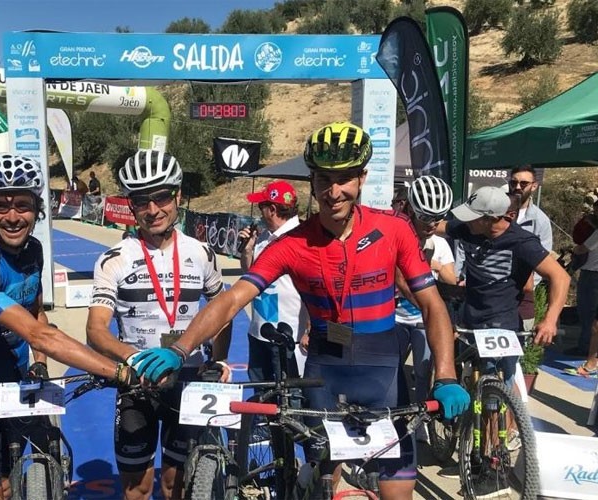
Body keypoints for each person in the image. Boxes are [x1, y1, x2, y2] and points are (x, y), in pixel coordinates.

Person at [130, 123, 469, 500]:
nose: (333, 191)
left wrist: (446, 375)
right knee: (324, 487)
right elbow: (232, 298)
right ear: (312, 179)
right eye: (324, 179)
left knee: (397, 494)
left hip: (384, 376)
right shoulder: (291, 244)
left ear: (362, 178)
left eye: (344, 179)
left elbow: (432, 305)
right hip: (326, 375)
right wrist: (181, 349)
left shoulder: (393, 230)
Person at [0, 153, 137, 500]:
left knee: (54, 463)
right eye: (0, 206)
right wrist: (119, 372)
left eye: (23, 206)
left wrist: (39, 364)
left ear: (37, 209)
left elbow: (35, 313)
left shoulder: (34, 250)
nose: (13, 217)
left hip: (18, 376)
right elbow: (38, 333)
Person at [86, 149, 231, 500]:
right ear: (130, 206)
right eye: (141, 201)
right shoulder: (113, 260)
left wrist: (217, 359)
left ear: (178, 196)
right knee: (137, 488)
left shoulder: (201, 253)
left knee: (174, 485)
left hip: (189, 379)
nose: (153, 210)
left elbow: (223, 309)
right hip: (137, 384)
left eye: (162, 197)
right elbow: (95, 331)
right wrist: (132, 357)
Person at [438, 186, 569, 497]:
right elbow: (438, 225)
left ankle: (494, 455)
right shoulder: (466, 227)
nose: (467, 223)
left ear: (491, 219)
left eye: (475, 218)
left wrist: (549, 319)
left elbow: (560, 277)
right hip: (469, 321)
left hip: (504, 325)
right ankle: (459, 426)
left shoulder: (521, 242)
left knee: (501, 392)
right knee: (465, 381)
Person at [392, 176, 456, 444]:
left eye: (437, 218)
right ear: (409, 209)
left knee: (423, 372)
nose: (431, 224)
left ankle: (418, 421)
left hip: (418, 318)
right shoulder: (396, 231)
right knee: (391, 370)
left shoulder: (435, 243)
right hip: (394, 314)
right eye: (424, 217)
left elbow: (445, 281)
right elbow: (402, 282)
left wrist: (437, 316)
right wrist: (433, 310)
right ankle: (392, 418)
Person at [239, 179, 308, 381]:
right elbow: (251, 276)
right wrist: (248, 249)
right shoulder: (263, 237)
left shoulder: (301, 238)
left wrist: (310, 331)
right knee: (261, 393)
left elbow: (314, 286)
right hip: (259, 330)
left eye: (261, 207)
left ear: (272, 209)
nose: (259, 212)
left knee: (291, 395)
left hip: (289, 335)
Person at [509, 165, 553, 332]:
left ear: (534, 186)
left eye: (523, 183)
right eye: (514, 183)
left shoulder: (540, 221)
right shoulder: (494, 213)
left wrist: (526, 287)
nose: (518, 187)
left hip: (521, 297)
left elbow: (544, 262)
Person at [571, 198, 598, 357]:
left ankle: (585, 348)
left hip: (592, 274)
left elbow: (582, 248)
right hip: (591, 272)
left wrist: (575, 249)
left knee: (587, 312)